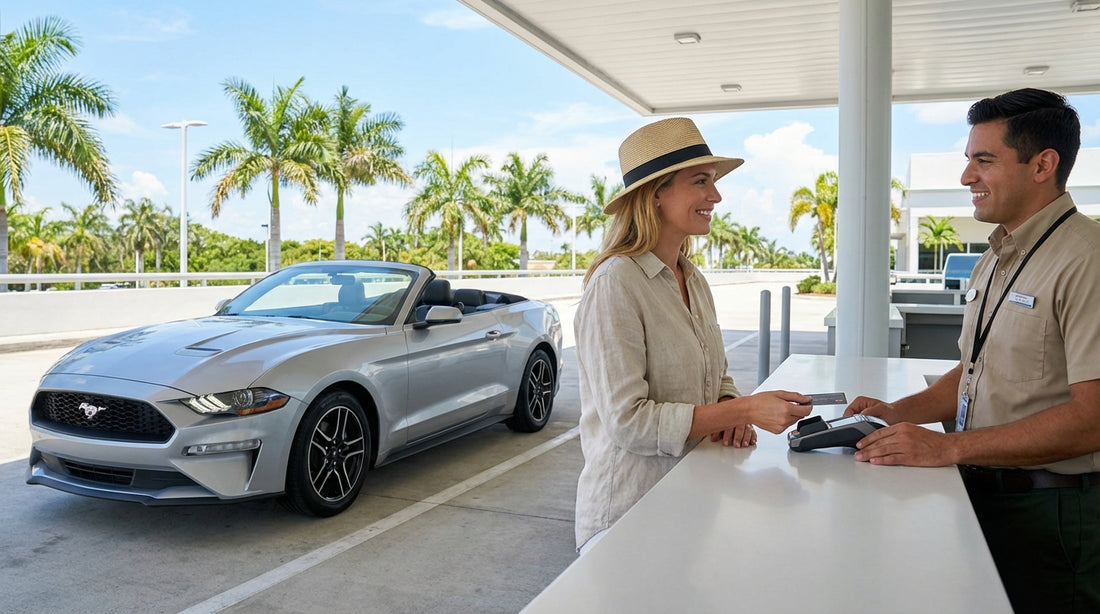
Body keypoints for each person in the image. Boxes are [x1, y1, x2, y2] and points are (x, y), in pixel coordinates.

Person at [845, 88, 1100, 613]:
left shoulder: (1086, 259)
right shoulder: (997, 256)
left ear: (1043, 165)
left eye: (984, 161)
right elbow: (977, 370)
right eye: (968, 161)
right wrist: (894, 415)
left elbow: (1093, 418)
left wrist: (948, 448)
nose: (966, 178)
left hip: (1052, 513)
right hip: (984, 494)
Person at [573, 117, 811, 555]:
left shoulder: (692, 278)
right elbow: (630, 422)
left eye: (714, 182)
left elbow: (714, 377)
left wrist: (730, 410)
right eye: (701, 181)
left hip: (691, 500)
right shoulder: (615, 283)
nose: (716, 196)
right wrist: (744, 409)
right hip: (627, 520)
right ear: (657, 193)